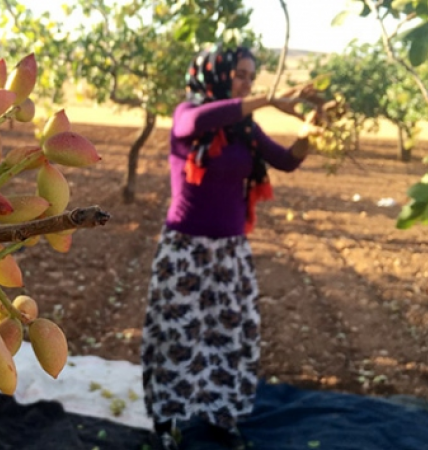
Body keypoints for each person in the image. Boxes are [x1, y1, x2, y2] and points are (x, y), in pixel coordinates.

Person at [140, 45, 323, 450]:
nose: (247, 81)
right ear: (215, 73)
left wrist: (308, 134)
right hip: (184, 250)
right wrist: (272, 99)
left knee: (230, 335)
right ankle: (167, 418)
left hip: (230, 253)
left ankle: (222, 415)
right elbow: (205, 118)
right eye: (240, 74)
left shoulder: (245, 129)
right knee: (178, 334)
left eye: (251, 75)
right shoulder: (188, 114)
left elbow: (286, 160)